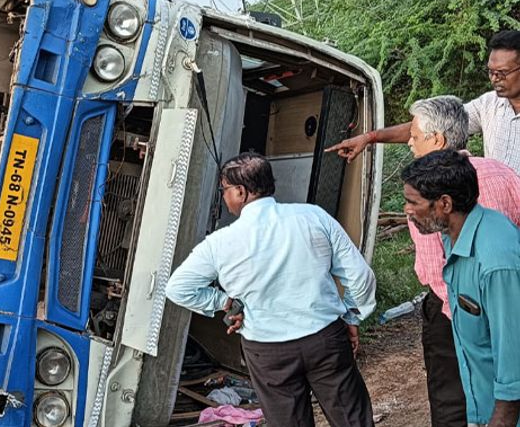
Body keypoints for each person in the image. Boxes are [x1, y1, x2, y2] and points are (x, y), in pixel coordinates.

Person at [165, 151, 377, 427]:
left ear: (241, 192)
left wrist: (224, 302)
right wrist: (352, 317)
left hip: (267, 352)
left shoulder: (219, 244)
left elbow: (178, 288)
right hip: (325, 339)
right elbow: (360, 277)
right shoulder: (313, 217)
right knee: (353, 419)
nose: (224, 196)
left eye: (225, 190)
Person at [403, 96, 520, 427]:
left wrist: (502, 417)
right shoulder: (449, 229)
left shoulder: (497, 262)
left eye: (413, 203)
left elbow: (513, 359)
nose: (407, 212)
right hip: (480, 397)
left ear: (443, 203)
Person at [326, 30, 520, 174]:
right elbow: (430, 126)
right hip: (500, 214)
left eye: (502, 73)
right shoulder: (489, 104)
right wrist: (370, 137)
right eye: (490, 71)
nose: (494, 79)